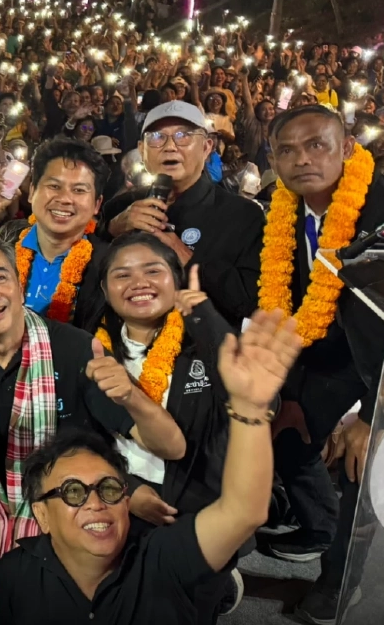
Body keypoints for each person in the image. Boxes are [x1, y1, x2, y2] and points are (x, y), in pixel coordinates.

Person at [0, 234, 186, 625]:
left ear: (19, 285)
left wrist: (132, 397)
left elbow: (172, 447)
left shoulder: (74, 348)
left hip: (69, 514)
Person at [257, 105, 384, 624]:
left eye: (317, 144)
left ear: (346, 147)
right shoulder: (282, 209)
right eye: (287, 150)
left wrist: (377, 417)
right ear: (272, 158)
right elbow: (290, 302)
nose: (302, 160)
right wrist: (291, 394)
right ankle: (316, 527)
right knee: (286, 435)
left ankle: (342, 582)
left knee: (365, 467)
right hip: (327, 352)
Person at [0, 308, 299, 623]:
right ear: (41, 514)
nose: (96, 503)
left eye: (109, 488)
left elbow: (244, 511)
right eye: (73, 491)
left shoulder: (162, 560)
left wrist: (250, 408)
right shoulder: (16, 573)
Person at [93, 233, 244, 621]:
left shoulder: (206, 341)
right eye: (121, 275)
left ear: (176, 280)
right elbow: (83, 439)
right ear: (105, 290)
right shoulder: (94, 351)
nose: (138, 282)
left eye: (153, 270)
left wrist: (205, 317)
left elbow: (257, 400)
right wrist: (128, 492)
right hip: (117, 501)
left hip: (195, 510)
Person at [101, 101, 265, 326]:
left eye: (183, 136)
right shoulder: (119, 209)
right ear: (142, 150)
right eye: (157, 137)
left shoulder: (242, 215)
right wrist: (111, 230)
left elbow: (248, 301)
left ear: (207, 147)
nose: (170, 146)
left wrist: (186, 256)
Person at [12, 139, 111, 331]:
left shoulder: (109, 267)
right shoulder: (2, 252)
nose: (65, 199)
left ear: (97, 205)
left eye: (79, 190)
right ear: (32, 191)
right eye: (54, 186)